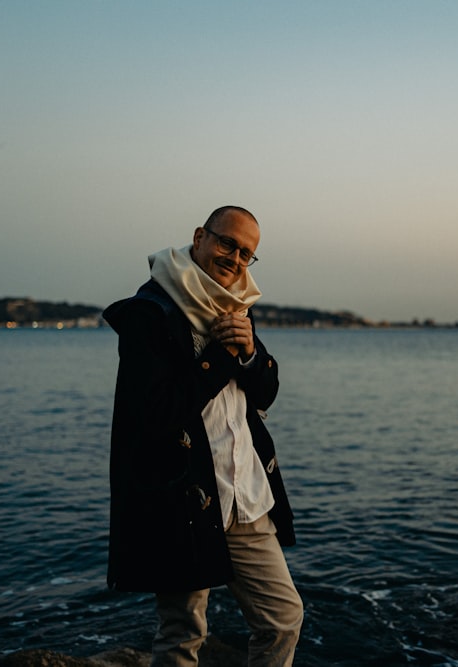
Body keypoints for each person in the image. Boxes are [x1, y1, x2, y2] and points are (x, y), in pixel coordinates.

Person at [103, 206, 303, 666]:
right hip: (184, 498)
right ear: (200, 237)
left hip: (247, 495)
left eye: (247, 253)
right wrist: (220, 356)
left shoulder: (235, 304)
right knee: (182, 633)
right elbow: (156, 413)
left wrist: (250, 353)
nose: (235, 258)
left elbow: (266, 393)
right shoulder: (148, 312)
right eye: (227, 243)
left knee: (284, 618)